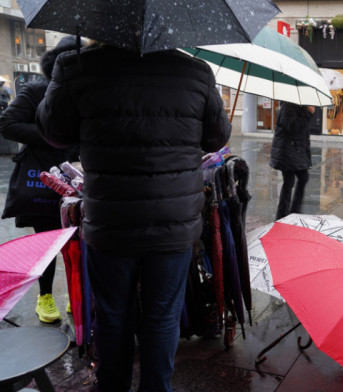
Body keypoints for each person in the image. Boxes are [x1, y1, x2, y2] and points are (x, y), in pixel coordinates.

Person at [37, 43, 231, 391]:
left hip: (111, 221)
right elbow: (217, 137)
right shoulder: (195, 70)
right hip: (173, 222)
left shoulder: (78, 66)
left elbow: (54, 132)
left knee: (112, 316)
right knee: (162, 316)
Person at [0, 37, 80, 323]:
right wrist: (51, 138)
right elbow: (7, 124)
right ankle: (44, 296)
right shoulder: (36, 90)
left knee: (77, 240)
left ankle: (76, 293)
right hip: (42, 180)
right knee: (47, 241)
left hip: (79, 179)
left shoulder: (88, 93)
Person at [270, 102, 315, 220]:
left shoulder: (298, 106)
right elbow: (293, 127)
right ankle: (284, 214)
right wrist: (308, 113)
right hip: (287, 150)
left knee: (301, 178)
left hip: (295, 150)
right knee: (290, 181)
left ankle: (292, 211)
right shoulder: (288, 106)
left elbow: (302, 131)